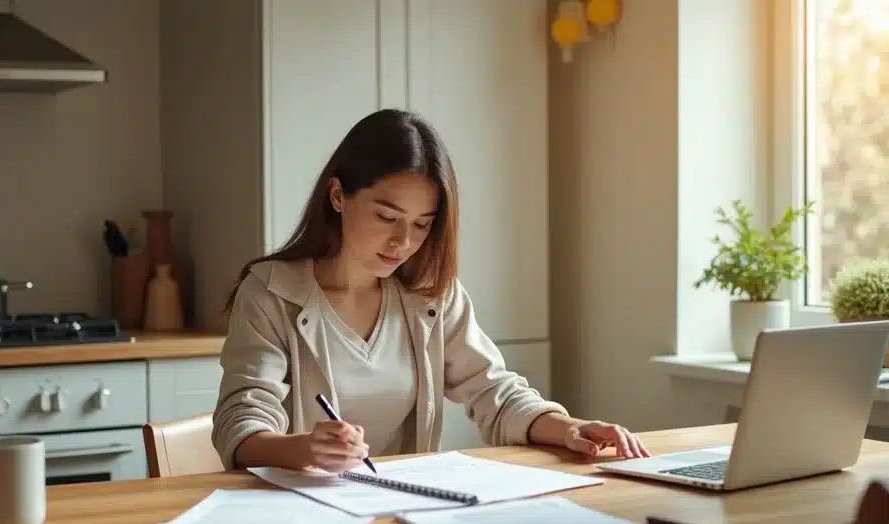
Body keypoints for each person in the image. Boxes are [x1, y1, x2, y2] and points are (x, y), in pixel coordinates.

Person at [210, 108, 651, 473]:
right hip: (301, 513)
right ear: (338, 195)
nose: (404, 241)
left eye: (422, 224)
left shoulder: (431, 295)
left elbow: (494, 391)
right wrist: (304, 449)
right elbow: (241, 423)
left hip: (404, 509)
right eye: (387, 217)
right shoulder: (270, 293)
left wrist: (568, 427)